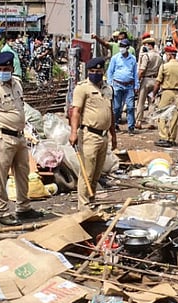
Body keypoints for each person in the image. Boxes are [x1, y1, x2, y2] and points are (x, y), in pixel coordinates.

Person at [0, 52, 42, 226]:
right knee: (0, 176)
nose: (2, 72)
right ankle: (1, 211)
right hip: (2, 137)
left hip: (20, 136)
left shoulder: (17, 84)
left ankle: (23, 207)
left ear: (12, 68)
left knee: (22, 172)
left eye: (5, 69)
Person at [69, 57, 116, 210]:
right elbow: (75, 111)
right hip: (89, 134)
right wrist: (73, 132)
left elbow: (111, 112)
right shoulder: (82, 88)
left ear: (103, 71)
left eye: (98, 71)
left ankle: (92, 199)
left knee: (97, 173)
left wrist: (113, 135)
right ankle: (83, 206)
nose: (95, 74)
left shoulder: (108, 89)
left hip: (103, 136)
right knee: (87, 173)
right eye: (92, 71)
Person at [153, 45, 178, 148]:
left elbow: (158, 82)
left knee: (161, 115)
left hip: (166, 92)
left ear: (169, 55)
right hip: (177, 93)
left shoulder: (164, 67)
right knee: (174, 117)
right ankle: (172, 138)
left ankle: (164, 137)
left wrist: (154, 95)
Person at [107, 39, 139, 134]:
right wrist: (110, 84)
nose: (121, 49)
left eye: (123, 47)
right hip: (117, 85)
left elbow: (135, 73)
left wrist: (136, 85)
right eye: (120, 46)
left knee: (130, 107)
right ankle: (115, 124)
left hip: (129, 86)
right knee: (116, 107)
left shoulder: (133, 59)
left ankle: (131, 127)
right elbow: (110, 71)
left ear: (128, 48)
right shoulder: (115, 58)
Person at [136, 37, 162, 129]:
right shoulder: (159, 56)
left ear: (148, 45)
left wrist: (137, 81)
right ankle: (151, 122)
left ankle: (139, 121)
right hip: (155, 80)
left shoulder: (146, 56)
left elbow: (142, 70)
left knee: (141, 101)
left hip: (146, 80)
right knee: (152, 101)